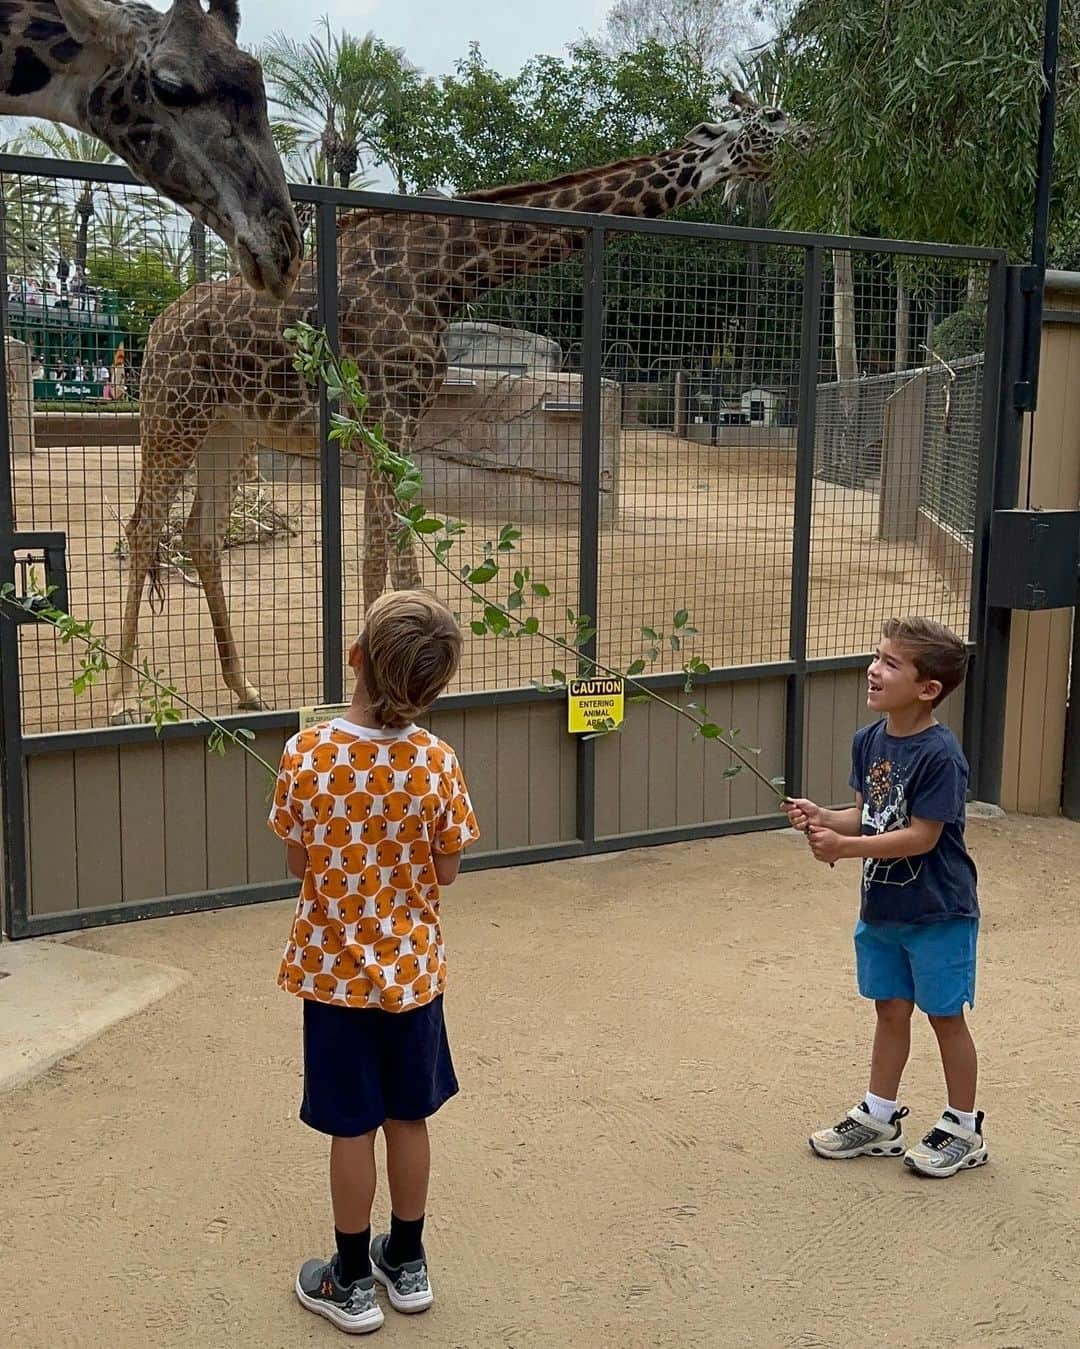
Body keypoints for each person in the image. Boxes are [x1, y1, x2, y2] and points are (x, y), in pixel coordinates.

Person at [270, 590, 479, 1334]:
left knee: (350, 1126)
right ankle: (410, 1260)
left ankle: (351, 1278)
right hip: (413, 978)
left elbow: (298, 856)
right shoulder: (436, 761)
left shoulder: (307, 753)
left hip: (333, 980)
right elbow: (448, 867)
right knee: (408, 1116)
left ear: (354, 658)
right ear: (432, 686)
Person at [784, 616, 987, 1179]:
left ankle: (963, 1127)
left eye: (891, 663)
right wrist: (825, 817)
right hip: (884, 909)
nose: (873, 669)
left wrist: (846, 846)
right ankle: (879, 1117)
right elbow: (868, 816)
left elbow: (923, 836)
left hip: (939, 911)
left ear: (928, 689)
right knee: (890, 1008)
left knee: (945, 1016)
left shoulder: (940, 755)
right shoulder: (868, 741)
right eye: (877, 657)